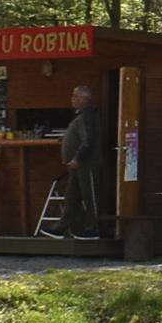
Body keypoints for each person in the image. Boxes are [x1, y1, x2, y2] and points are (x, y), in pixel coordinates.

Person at [59, 82, 106, 241]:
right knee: (71, 196)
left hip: (86, 164)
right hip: (77, 165)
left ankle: (92, 229)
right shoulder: (80, 115)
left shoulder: (87, 115)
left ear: (85, 99)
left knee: (89, 196)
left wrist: (78, 158)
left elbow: (88, 140)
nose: (72, 99)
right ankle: (61, 227)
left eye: (76, 96)